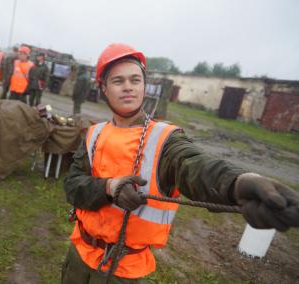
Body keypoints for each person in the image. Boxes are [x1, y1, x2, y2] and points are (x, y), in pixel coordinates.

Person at [62, 43, 299, 283]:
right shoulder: (94, 134)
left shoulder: (164, 139)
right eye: (117, 81)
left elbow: (194, 166)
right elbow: (73, 185)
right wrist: (110, 188)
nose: (128, 88)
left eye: (135, 80)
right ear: (103, 88)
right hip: (79, 255)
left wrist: (237, 184)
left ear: (145, 86)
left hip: (122, 270)